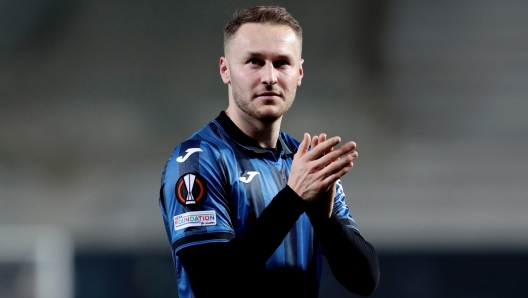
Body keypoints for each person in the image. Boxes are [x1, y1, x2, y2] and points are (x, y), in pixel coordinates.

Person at [159, 6, 380, 298]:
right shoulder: (198, 160)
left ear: (299, 73)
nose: (270, 77)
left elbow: (364, 280)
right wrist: (294, 198)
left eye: (281, 63)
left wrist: (325, 221)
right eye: (254, 62)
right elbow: (213, 285)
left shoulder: (304, 163)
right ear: (225, 69)